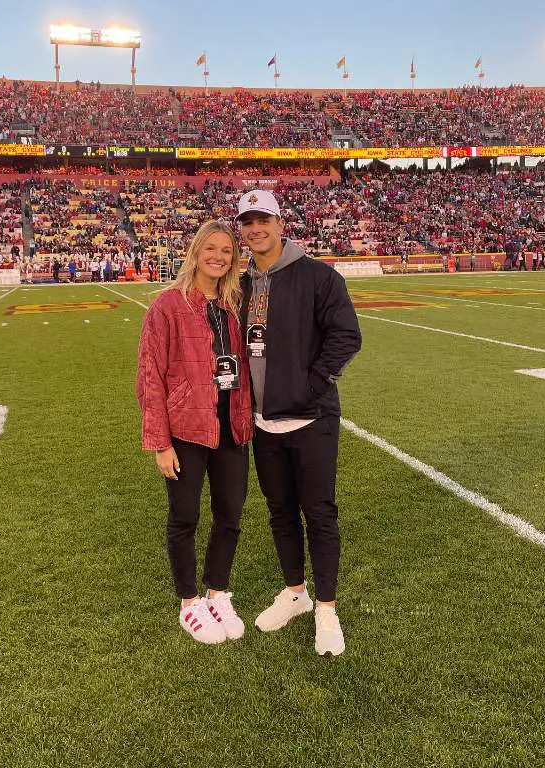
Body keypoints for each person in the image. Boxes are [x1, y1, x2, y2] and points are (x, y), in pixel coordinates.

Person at [237, 189, 362, 657]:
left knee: (320, 513)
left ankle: (326, 608)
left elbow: (346, 336)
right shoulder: (241, 283)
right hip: (263, 424)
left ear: (279, 222)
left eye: (263, 219)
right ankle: (295, 591)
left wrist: (311, 385)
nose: (256, 229)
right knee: (279, 512)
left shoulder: (318, 276)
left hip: (310, 419)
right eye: (248, 222)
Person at [136, 220, 254, 646]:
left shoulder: (234, 306)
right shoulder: (168, 306)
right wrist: (160, 443)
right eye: (211, 249)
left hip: (231, 426)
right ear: (196, 252)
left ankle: (217, 591)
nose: (219, 257)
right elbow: (150, 377)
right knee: (185, 517)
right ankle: (190, 602)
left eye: (226, 251)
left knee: (230, 515)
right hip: (186, 428)